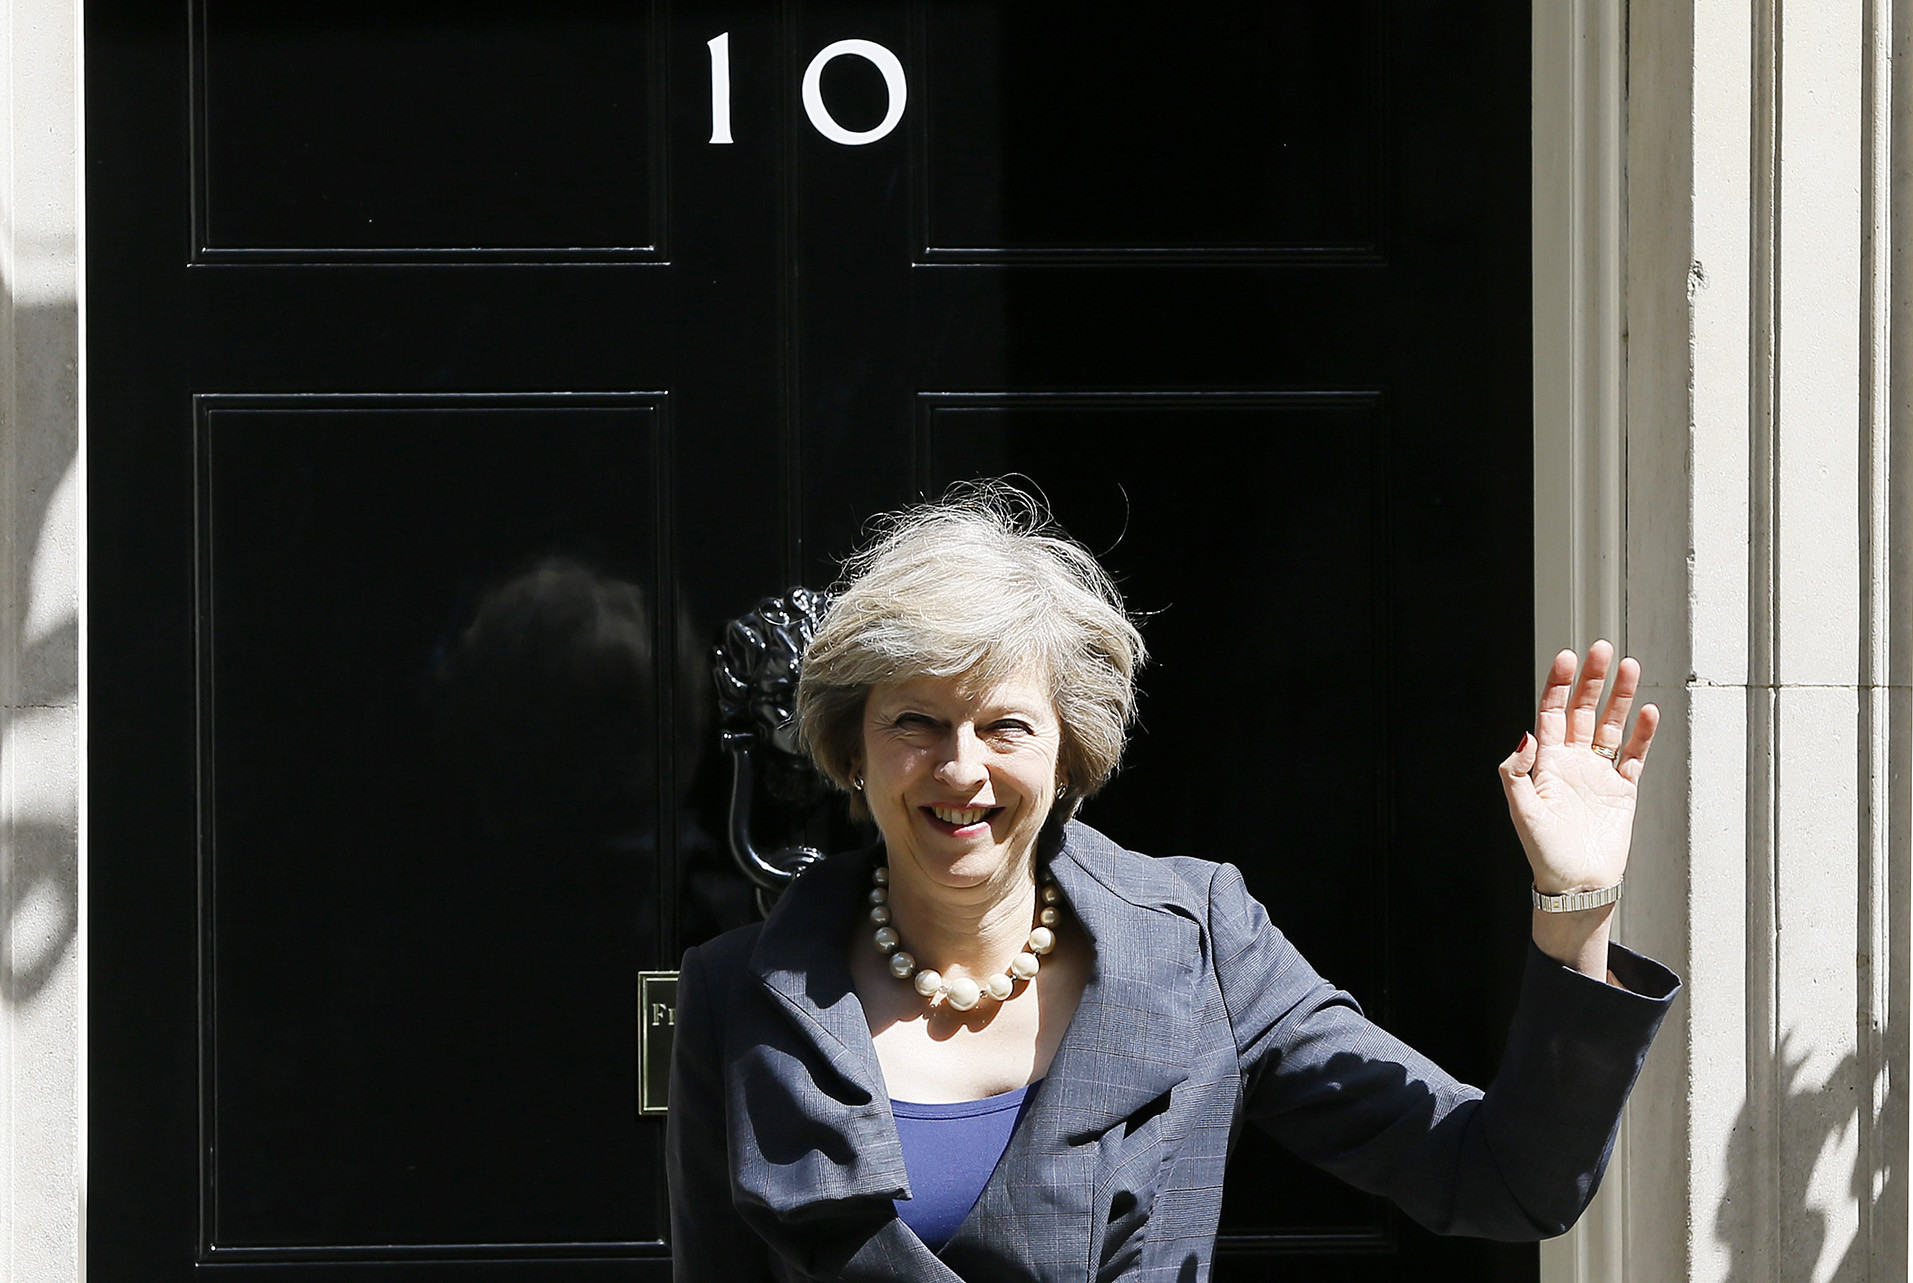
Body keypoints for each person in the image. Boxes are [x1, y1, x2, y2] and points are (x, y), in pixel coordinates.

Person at [665, 484, 1679, 1281]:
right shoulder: (737, 993)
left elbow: (1499, 1179)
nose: (960, 767)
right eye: (914, 723)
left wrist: (1573, 910)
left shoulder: (1200, 944)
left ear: (1069, 751)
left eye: (1004, 725)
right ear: (852, 750)